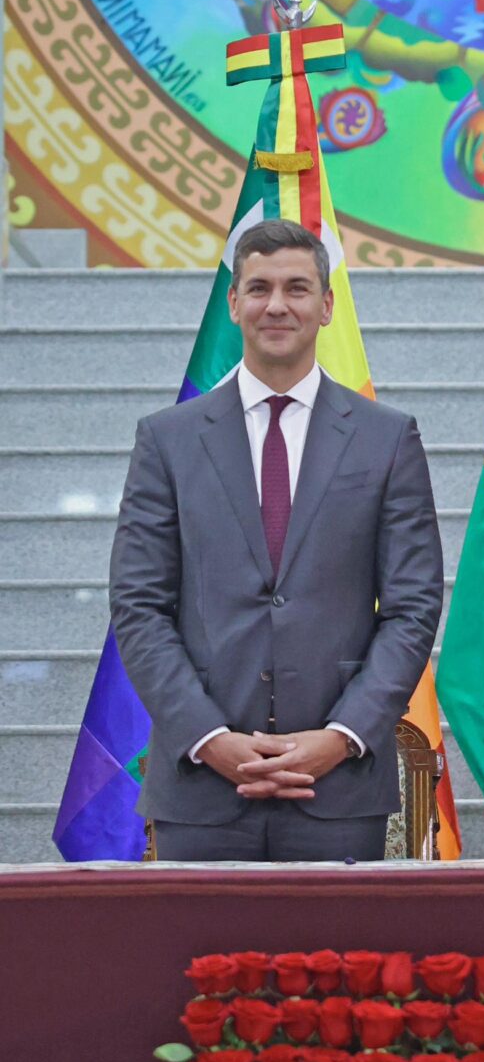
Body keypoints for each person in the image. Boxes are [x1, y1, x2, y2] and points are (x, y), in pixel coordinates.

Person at [108, 218, 443, 860]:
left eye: (297, 288)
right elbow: (138, 606)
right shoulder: (167, 440)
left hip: (339, 789)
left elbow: (413, 608)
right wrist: (209, 739)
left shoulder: (387, 438)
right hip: (201, 787)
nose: (277, 305)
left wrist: (340, 737)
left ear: (327, 305)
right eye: (259, 288)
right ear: (234, 303)